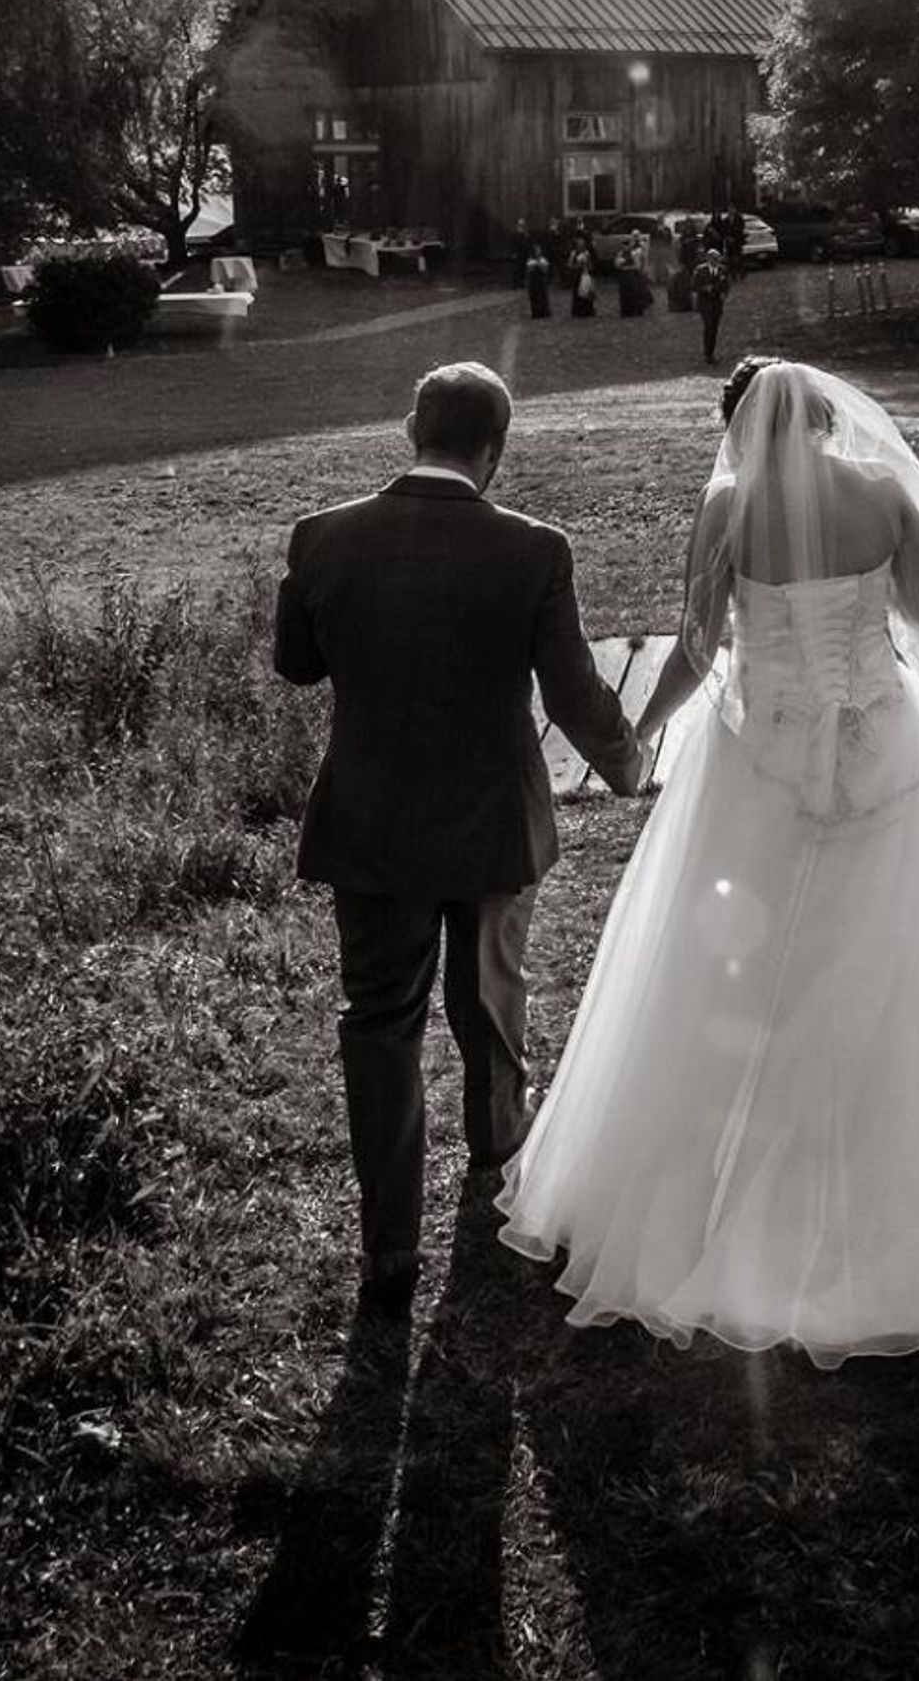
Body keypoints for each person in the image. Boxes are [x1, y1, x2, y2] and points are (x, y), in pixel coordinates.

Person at [498, 357, 919, 1365]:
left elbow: (697, 646)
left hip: (760, 755)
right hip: (883, 742)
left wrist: (637, 741)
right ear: (824, 420)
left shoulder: (726, 510)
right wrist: (864, 628)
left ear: (741, 426)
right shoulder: (885, 490)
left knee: (730, 970)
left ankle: (722, 1191)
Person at [276, 363, 648, 1311]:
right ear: (496, 449)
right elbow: (571, 692)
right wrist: (631, 765)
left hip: (371, 825)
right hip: (491, 821)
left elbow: (296, 664)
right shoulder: (533, 550)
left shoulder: (321, 537)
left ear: (412, 428)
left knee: (379, 1020)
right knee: (489, 1000)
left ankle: (388, 1244)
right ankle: (495, 1174)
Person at [690, 245, 730, 365]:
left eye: (717, 258)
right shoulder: (700, 270)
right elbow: (694, 286)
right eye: (713, 258)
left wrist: (724, 293)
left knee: (715, 328)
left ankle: (711, 351)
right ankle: (708, 354)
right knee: (708, 326)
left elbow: (727, 285)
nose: (715, 261)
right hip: (705, 303)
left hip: (717, 303)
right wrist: (704, 288)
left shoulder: (723, 270)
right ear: (708, 258)